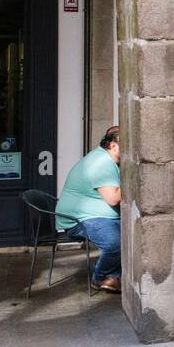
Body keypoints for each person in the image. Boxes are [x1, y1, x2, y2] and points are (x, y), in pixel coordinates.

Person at [55, 125, 122, 293]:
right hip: (80, 220)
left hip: (98, 216)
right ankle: (100, 278)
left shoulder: (104, 157)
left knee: (132, 234)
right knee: (115, 243)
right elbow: (113, 198)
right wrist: (131, 177)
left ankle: (113, 277)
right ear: (113, 146)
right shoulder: (102, 163)